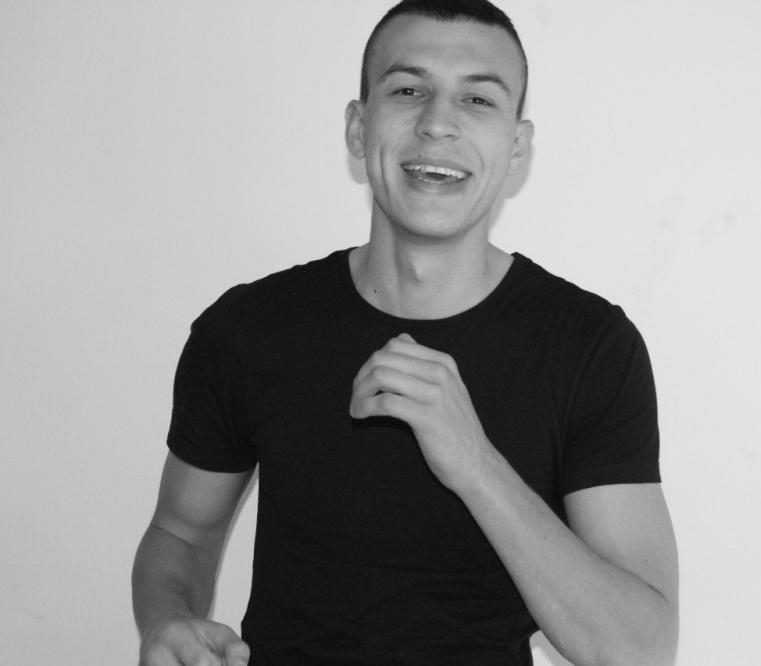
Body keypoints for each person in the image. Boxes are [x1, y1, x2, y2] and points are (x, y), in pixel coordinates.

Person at [131, 1, 679, 664]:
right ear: (358, 128)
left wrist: (474, 462)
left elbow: (637, 650)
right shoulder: (248, 330)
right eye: (408, 90)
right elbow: (181, 534)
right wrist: (167, 618)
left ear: (517, 147)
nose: (438, 123)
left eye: (478, 99)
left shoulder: (589, 347)